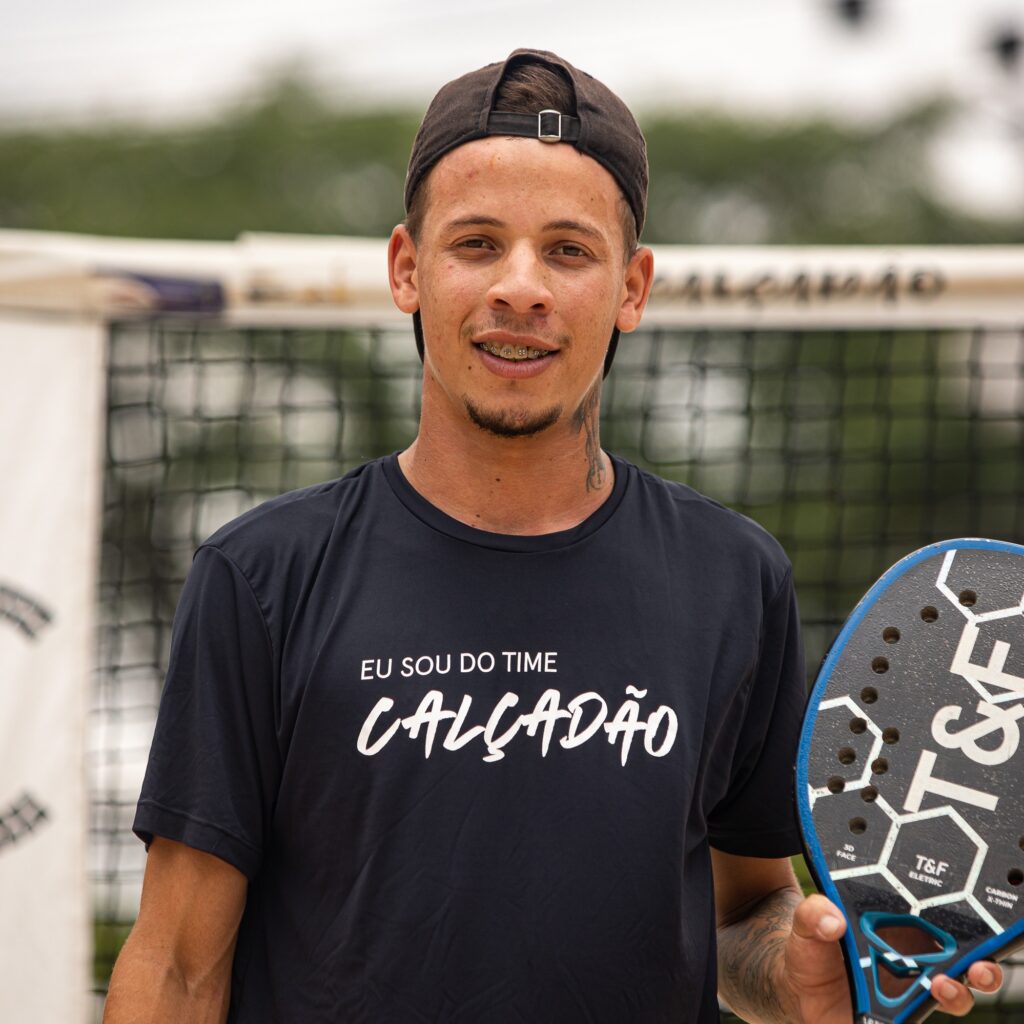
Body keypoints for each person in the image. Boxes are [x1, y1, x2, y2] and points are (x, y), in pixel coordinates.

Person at [104, 49, 1002, 1023]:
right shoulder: (262, 576)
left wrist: (795, 975)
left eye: (568, 251)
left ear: (632, 287)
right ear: (407, 269)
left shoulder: (732, 576)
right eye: (477, 244)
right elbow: (179, 966)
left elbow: (743, 911)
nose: (521, 288)